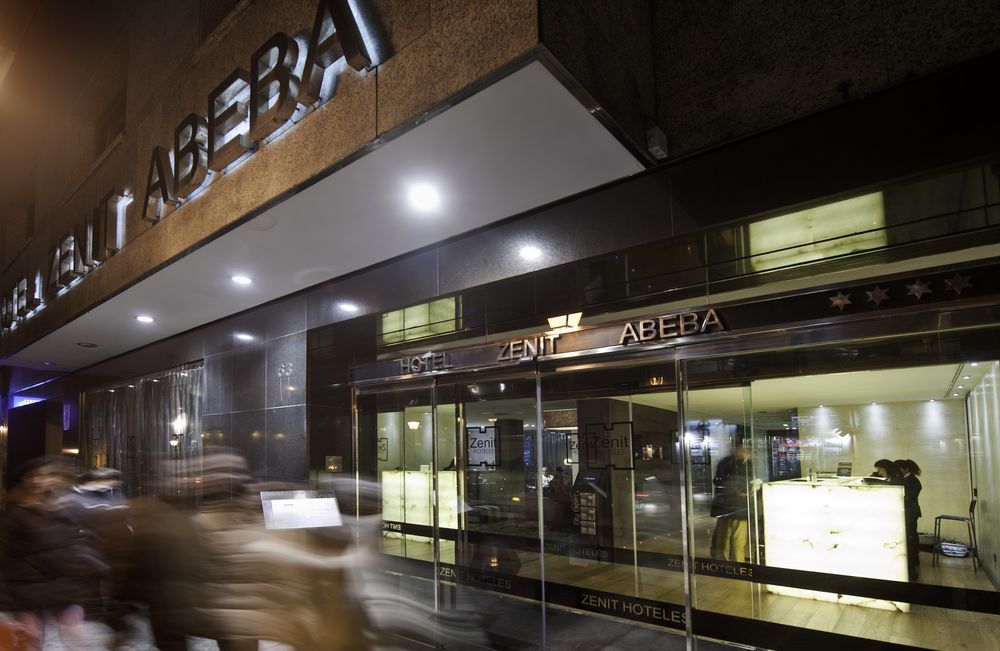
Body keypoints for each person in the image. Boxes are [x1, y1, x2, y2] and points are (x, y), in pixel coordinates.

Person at [710, 442, 753, 562]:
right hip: (734, 506)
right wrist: (740, 491)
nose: (747, 452)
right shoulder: (733, 463)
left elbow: (718, 481)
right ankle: (735, 564)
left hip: (729, 507)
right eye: (744, 449)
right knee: (735, 539)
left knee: (725, 538)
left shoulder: (735, 462)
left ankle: (724, 562)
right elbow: (720, 481)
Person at [895, 459, 923, 580]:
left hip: (911, 511)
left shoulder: (912, 479)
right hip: (911, 511)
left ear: (906, 468)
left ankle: (914, 560)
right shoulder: (908, 478)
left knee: (911, 535)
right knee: (912, 534)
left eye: (899, 469)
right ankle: (914, 560)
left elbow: (912, 495)